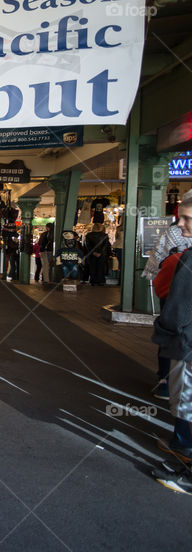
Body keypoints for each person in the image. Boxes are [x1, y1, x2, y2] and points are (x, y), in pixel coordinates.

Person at [150, 197, 192, 494]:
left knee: (189, 404)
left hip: (188, 343)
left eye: (187, 218)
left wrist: (165, 332)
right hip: (186, 341)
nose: (180, 223)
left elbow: (177, 305)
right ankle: (185, 460)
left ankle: (188, 473)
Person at [143, 209, 192, 400]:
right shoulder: (174, 232)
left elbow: (158, 260)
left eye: (185, 219)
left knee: (170, 334)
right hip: (175, 291)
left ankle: (165, 380)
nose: (180, 223)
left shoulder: (171, 233)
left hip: (172, 291)